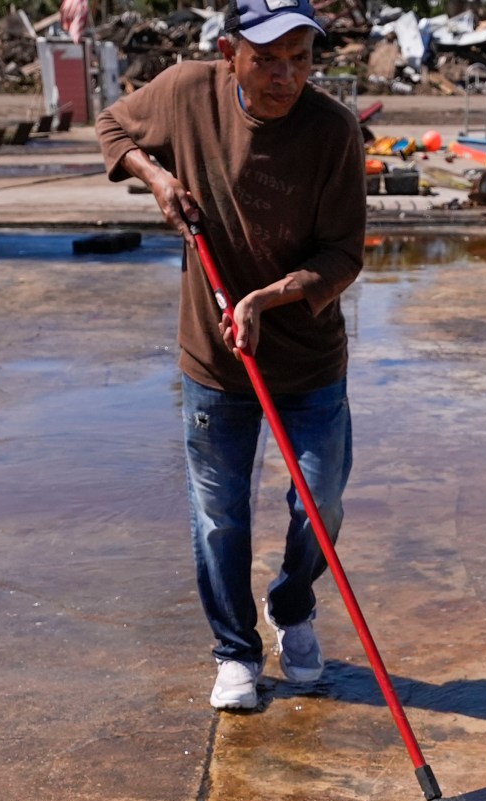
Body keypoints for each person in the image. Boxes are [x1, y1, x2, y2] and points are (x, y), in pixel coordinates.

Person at [96, 0, 366, 712]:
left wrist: (264, 300)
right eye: (269, 59)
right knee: (219, 515)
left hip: (307, 360)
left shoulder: (333, 130)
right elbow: (112, 126)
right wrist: (155, 179)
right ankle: (235, 651)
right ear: (229, 52)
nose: (287, 76)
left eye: (302, 59)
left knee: (322, 502)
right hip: (216, 366)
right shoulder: (187, 92)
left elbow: (343, 253)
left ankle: (293, 604)